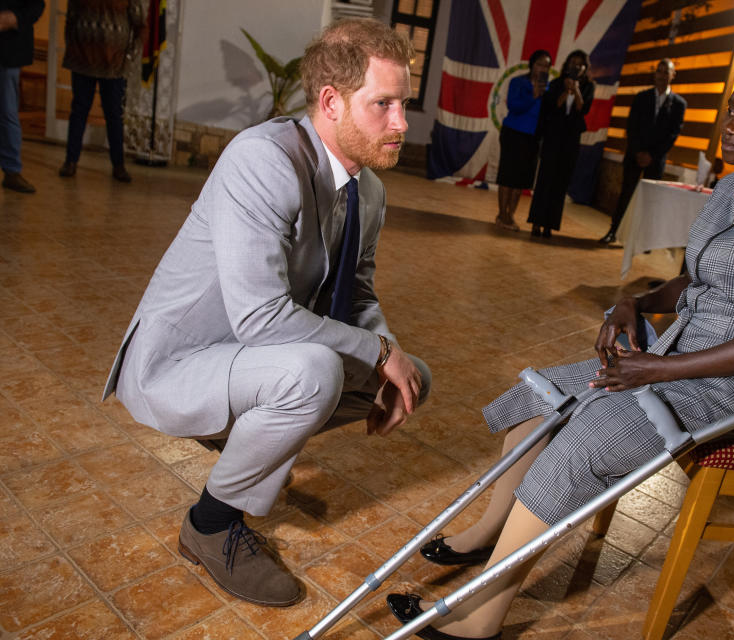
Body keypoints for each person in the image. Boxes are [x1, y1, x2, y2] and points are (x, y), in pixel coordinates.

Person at [389, 25, 734, 640]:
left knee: (583, 438)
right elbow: (692, 283)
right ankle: (486, 536)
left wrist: (657, 370)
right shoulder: (727, 188)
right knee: (540, 402)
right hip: (672, 358)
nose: (732, 124)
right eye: (732, 108)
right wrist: (634, 304)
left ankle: (482, 620)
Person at [102, 18, 430, 607]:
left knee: (412, 380)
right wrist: (377, 353)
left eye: (403, 104)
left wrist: (391, 352)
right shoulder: (262, 160)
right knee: (314, 374)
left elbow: (357, 292)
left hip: (253, 356)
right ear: (331, 101)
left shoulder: (370, 191)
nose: (401, 123)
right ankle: (210, 525)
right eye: (383, 104)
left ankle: (245, 429)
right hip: (183, 360)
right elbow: (260, 319)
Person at [600, 58, 686, 244]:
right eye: (659, 71)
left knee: (650, 200)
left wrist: (652, 155)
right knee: (626, 194)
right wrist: (639, 152)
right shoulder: (641, 97)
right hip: (634, 155)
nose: (662, 75)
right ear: (655, 74)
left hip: (656, 160)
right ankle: (614, 231)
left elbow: (672, 134)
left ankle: (641, 240)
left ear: (673, 75)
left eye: (666, 72)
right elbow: (632, 127)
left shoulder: (679, 104)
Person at [58, 0, 144, 182]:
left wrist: (129, 58)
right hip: (82, 61)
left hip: (114, 65)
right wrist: (72, 47)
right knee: (79, 111)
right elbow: (71, 18)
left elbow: (140, 26)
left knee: (113, 115)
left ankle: (118, 165)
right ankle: (70, 161)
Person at [526, 50, 594, 239]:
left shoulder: (589, 87)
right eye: (573, 63)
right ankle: (537, 223)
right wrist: (566, 90)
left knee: (560, 183)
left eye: (580, 64)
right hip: (553, 139)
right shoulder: (556, 83)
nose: (576, 67)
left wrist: (576, 89)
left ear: (584, 68)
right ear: (567, 65)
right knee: (545, 181)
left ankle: (549, 224)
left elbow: (583, 108)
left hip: (571, 142)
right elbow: (552, 106)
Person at [493, 49, 550, 231]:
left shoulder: (548, 89)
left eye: (547, 65)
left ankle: (511, 215)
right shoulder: (518, 82)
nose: (543, 68)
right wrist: (533, 95)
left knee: (521, 181)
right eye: (540, 63)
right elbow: (514, 106)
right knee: (507, 176)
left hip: (533, 138)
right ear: (532, 64)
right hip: (513, 134)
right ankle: (502, 214)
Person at [0, 0, 43, 193]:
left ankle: (12, 171)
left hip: (9, 50)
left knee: (8, 112)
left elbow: (36, 6)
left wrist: (14, 18)